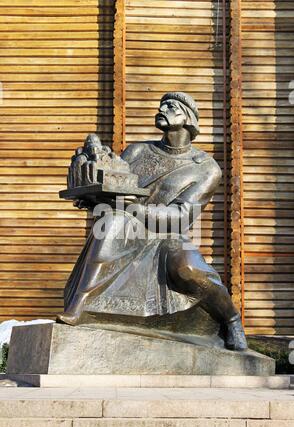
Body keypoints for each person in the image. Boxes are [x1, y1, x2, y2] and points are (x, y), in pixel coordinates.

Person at [58, 92, 247, 351]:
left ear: (189, 118)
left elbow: (181, 217)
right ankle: (79, 307)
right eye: (162, 104)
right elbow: (116, 187)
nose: (162, 108)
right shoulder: (137, 150)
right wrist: (91, 195)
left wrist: (133, 208)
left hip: (168, 235)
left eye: (172, 106)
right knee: (111, 225)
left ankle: (231, 318)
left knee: (188, 270)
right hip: (129, 225)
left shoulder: (205, 168)